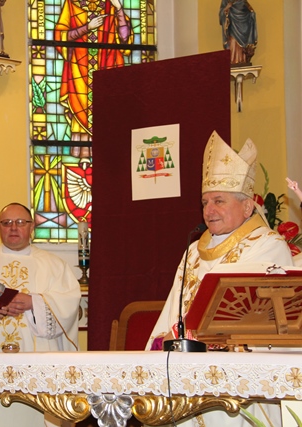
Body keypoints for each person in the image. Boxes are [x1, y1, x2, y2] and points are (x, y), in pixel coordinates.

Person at [146, 131, 293, 426]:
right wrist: (162, 342)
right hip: (186, 373)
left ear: (247, 206)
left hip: (239, 379)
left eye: (218, 201)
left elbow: (260, 320)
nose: (208, 210)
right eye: (205, 202)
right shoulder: (193, 251)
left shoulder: (268, 246)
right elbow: (173, 310)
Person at [0, 202, 80, 353]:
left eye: (20, 222)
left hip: (40, 354)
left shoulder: (55, 265)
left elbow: (68, 303)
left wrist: (33, 302)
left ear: (31, 227)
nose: (13, 227)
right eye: (7, 223)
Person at [54, 0, 133, 143]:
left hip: (108, 67)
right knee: (79, 109)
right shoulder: (71, 4)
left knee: (109, 114)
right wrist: (87, 27)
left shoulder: (111, 5)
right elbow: (60, 36)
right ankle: (82, 151)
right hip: (78, 69)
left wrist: (119, 8)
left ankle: (110, 150)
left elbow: (124, 39)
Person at [219, 0, 257, 66]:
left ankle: (242, 60)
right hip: (232, 27)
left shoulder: (243, 1)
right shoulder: (226, 0)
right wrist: (226, 8)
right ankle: (232, 60)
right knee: (232, 41)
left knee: (243, 47)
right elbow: (221, 13)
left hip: (243, 28)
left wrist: (252, 14)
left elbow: (250, 11)